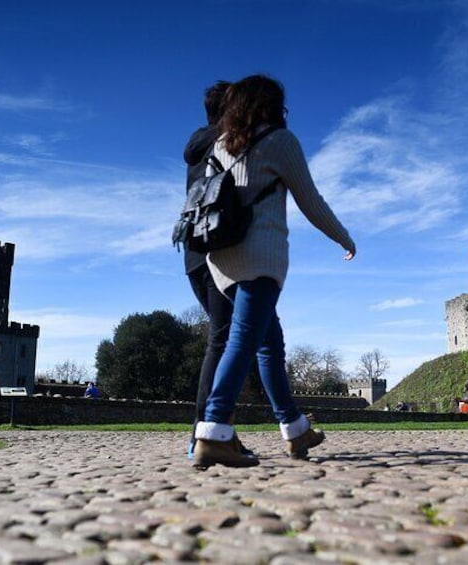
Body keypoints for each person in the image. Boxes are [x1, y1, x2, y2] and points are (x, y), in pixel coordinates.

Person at [193, 74, 356, 468]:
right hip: (259, 259)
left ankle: (295, 429)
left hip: (221, 260)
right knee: (244, 340)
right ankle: (213, 431)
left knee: (269, 342)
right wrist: (344, 238)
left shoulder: (220, 144)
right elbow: (310, 200)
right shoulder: (280, 142)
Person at [182, 80, 254, 461]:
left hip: (193, 254)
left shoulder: (199, 147)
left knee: (229, 340)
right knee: (225, 340)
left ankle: (217, 431)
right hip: (216, 255)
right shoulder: (223, 145)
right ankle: (205, 433)